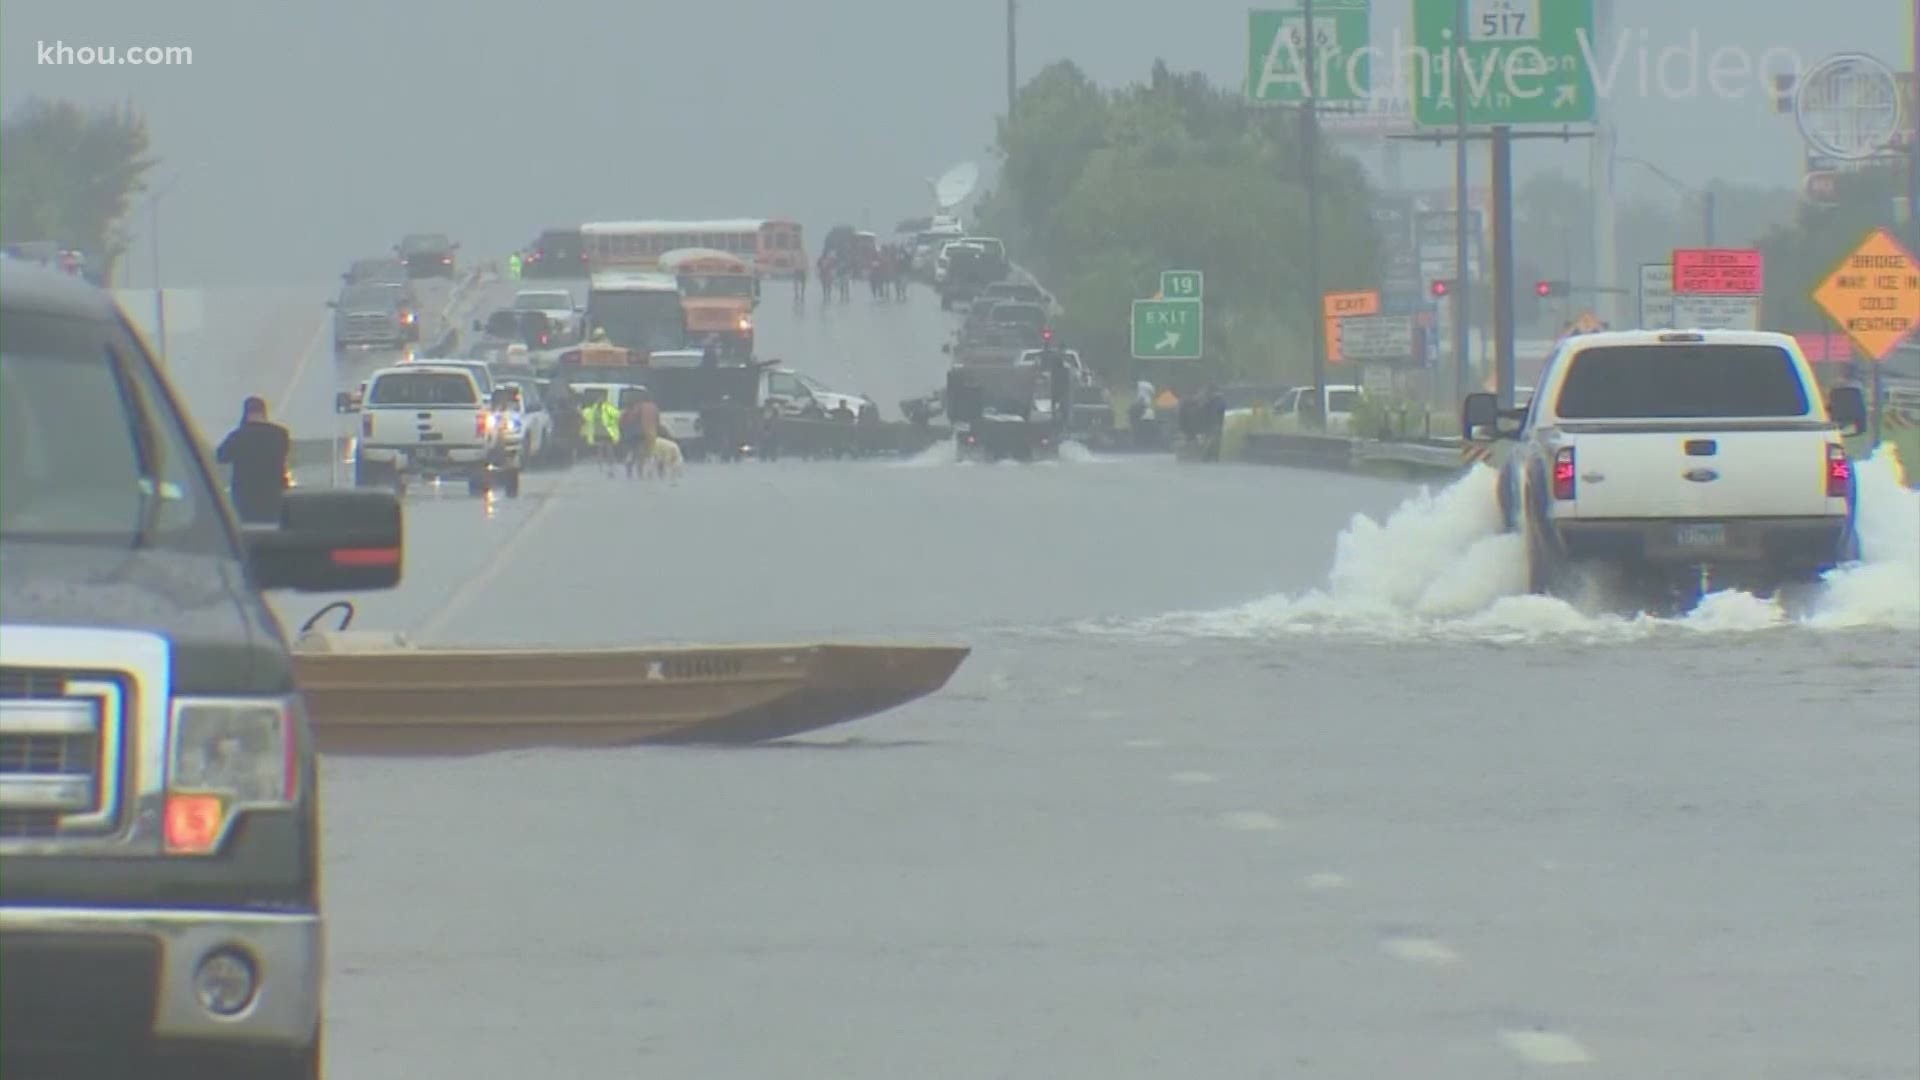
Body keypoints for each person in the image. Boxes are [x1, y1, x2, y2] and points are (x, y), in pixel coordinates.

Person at [215, 396, 291, 525]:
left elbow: (221, 457)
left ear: (246, 413)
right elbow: (285, 454)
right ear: (264, 412)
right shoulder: (280, 434)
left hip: (245, 495)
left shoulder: (238, 436)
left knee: (250, 529)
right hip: (274, 493)